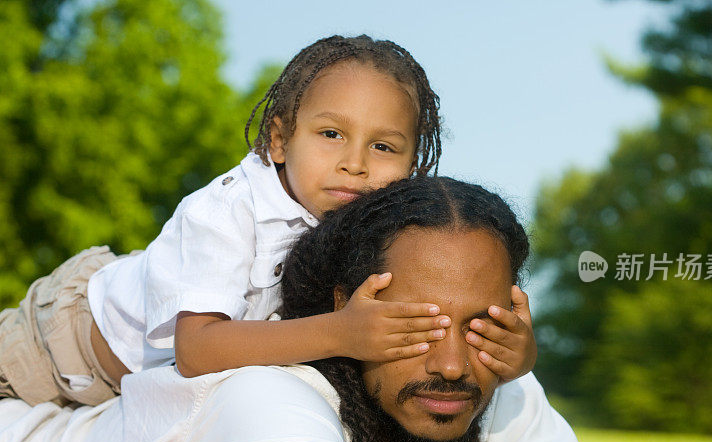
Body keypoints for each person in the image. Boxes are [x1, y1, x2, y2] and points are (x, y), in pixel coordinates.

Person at [0, 177, 637, 442]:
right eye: (417, 325)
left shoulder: (494, 382)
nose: (450, 363)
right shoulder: (266, 396)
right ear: (346, 305)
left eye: (479, 325)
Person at [0, 35, 536, 408]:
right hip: (65, 341)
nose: (356, 162)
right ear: (279, 139)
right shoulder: (226, 211)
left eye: (383, 145)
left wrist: (519, 353)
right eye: (331, 135)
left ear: (415, 166)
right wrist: (340, 332)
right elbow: (197, 349)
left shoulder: (388, 232)